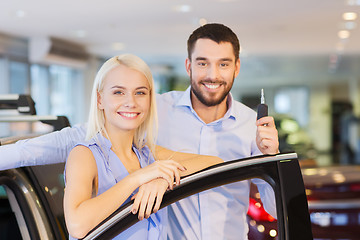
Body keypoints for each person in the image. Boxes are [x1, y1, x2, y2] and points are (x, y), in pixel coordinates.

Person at [0, 23, 279, 239]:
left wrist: (162, 177)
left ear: (237, 67)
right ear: (188, 66)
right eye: (203, 62)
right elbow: (71, 141)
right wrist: (147, 175)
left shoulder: (252, 126)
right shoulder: (151, 109)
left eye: (224, 63)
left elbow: (223, 169)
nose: (212, 74)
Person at [64, 54, 223, 239]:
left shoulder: (146, 153)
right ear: (100, 99)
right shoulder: (85, 154)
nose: (131, 102)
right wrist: (138, 178)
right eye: (118, 92)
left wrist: (162, 180)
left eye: (140, 92)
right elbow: (77, 225)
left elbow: (215, 163)